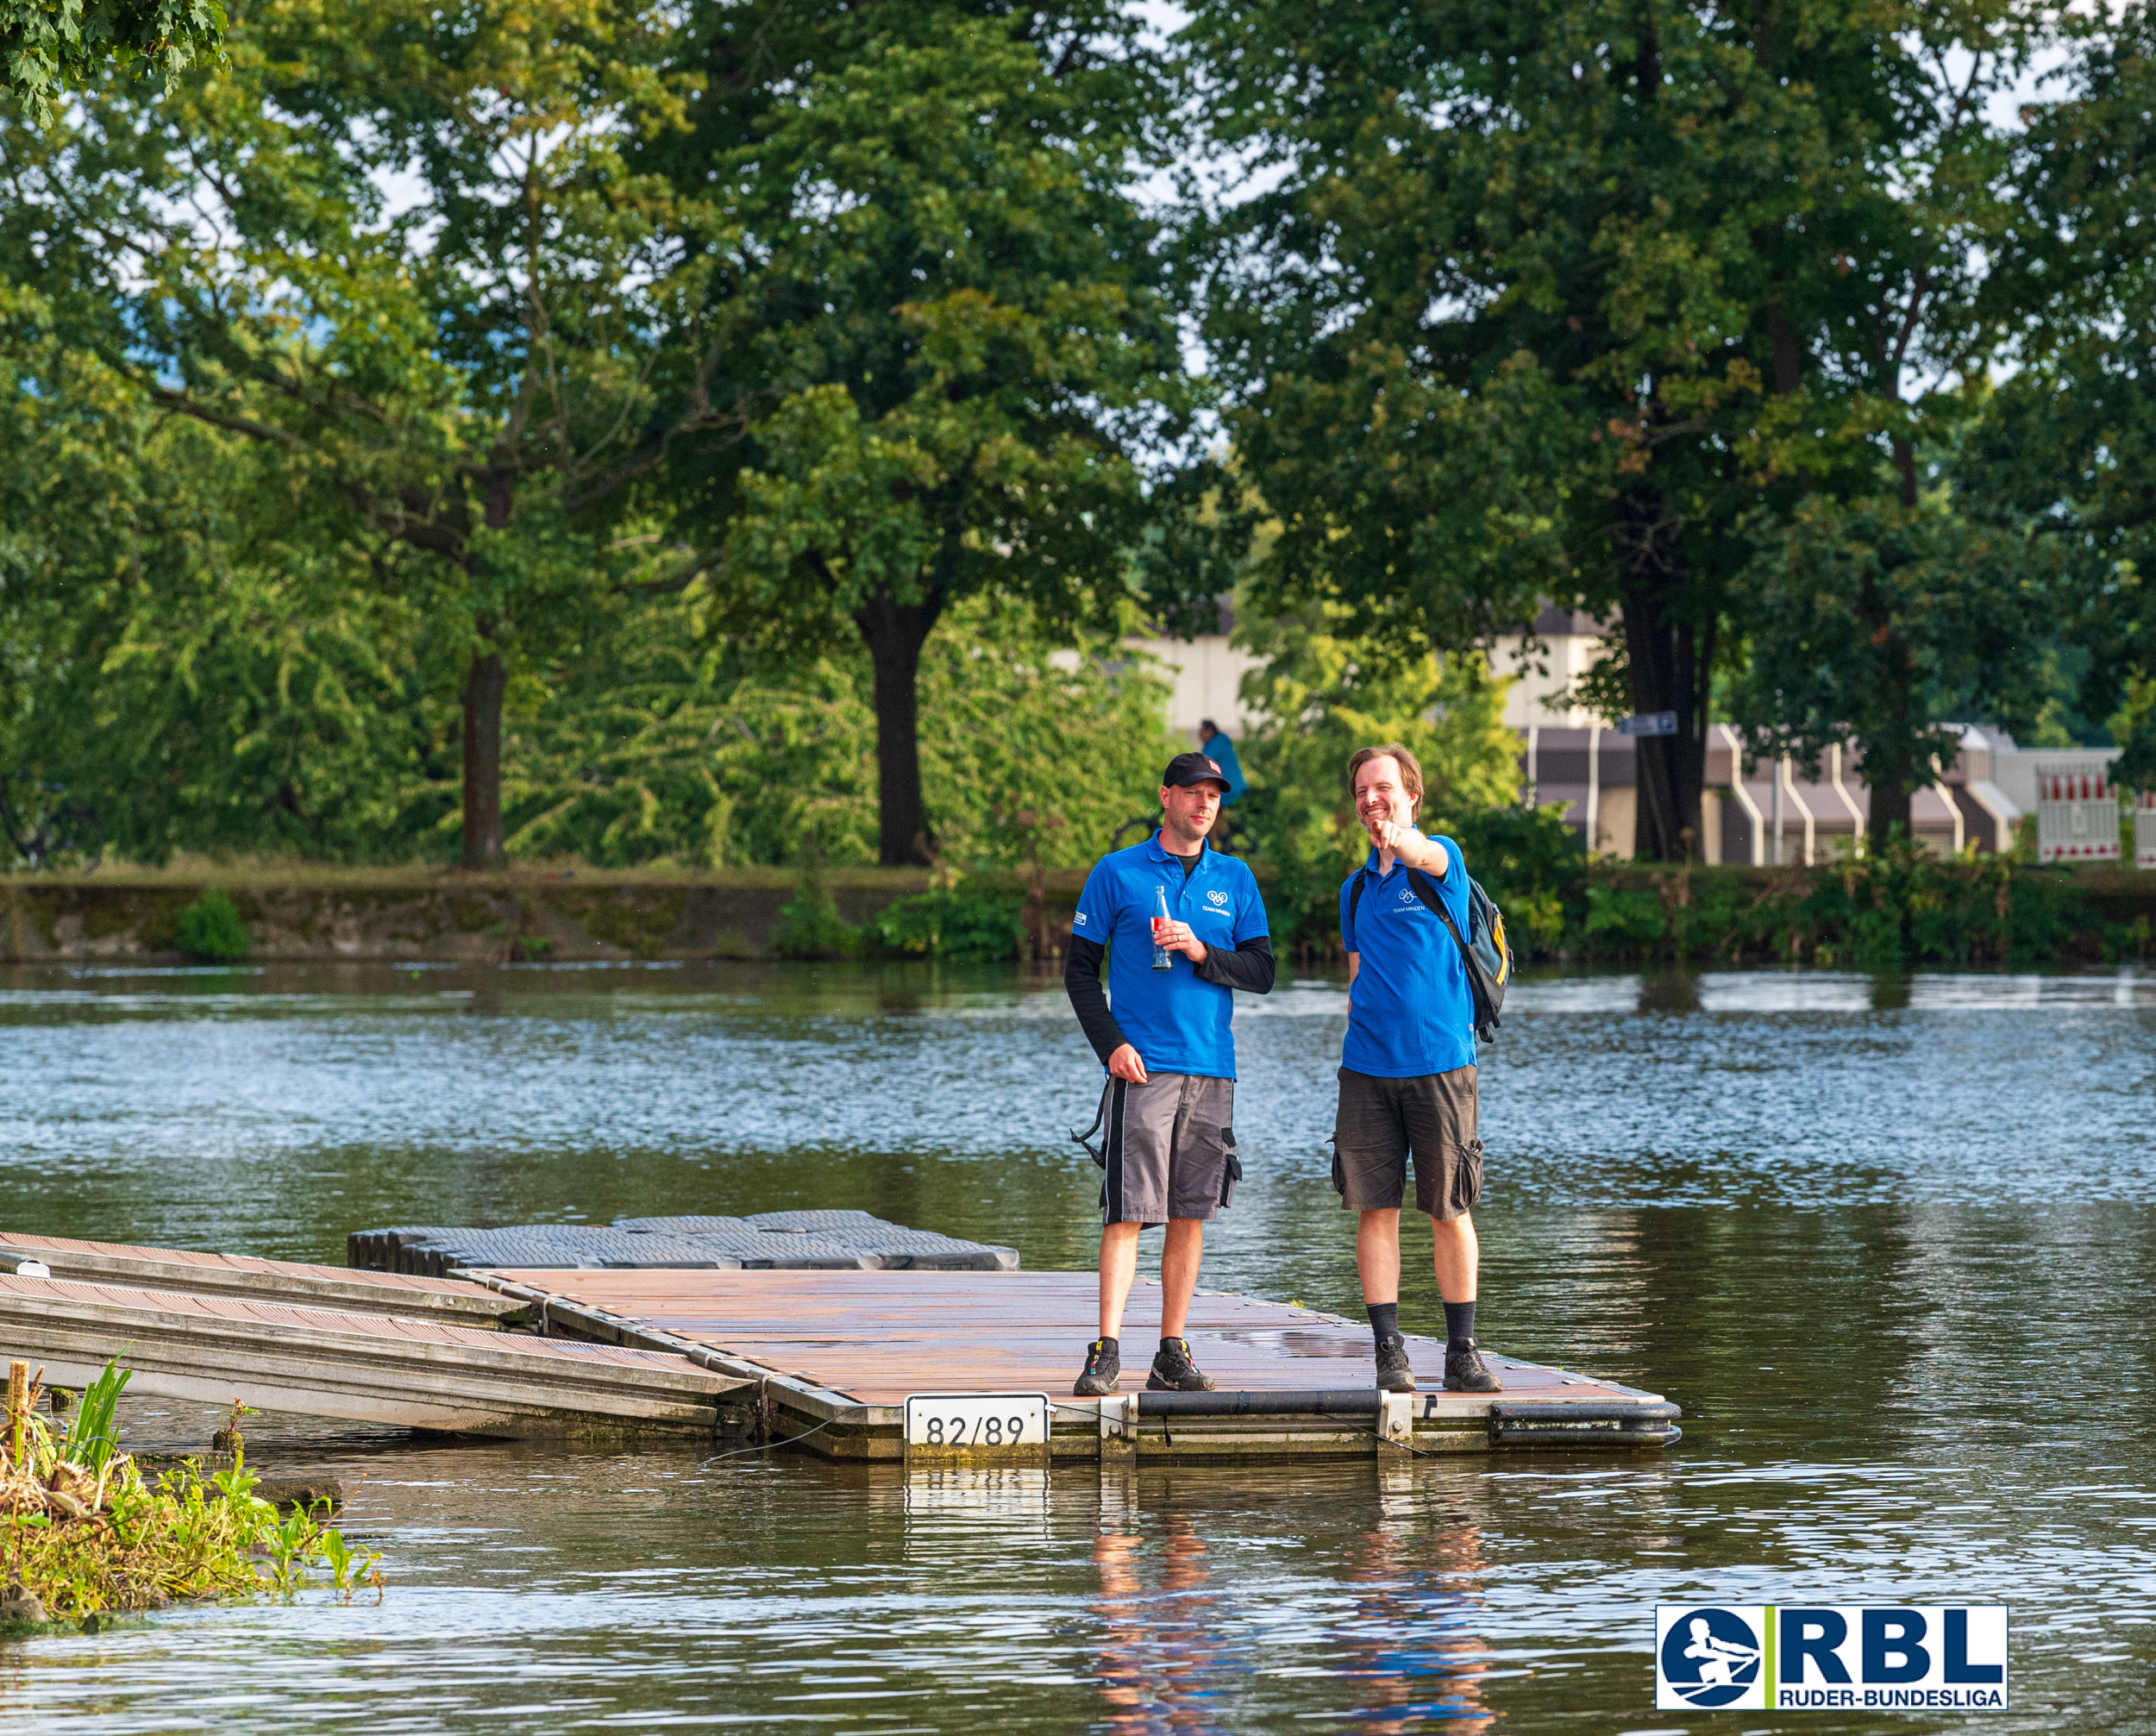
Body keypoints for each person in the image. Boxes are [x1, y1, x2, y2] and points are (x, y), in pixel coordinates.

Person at [1063, 751, 1274, 1395]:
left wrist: (1203, 950)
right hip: (1143, 1067)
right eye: (1192, 792)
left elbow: (1263, 971)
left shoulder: (1233, 877)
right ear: (1166, 796)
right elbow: (1078, 971)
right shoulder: (1117, 871)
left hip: (1212, 1068)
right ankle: (1106, 1348)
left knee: (1191, 1212)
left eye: (1213, 794)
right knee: (1127, 1212)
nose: (1204, 803)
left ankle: (1171, 1350)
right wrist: (1111, 1046)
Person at [1333, 743, 1501, 1394]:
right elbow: (1356, 980)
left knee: (1449, 1208)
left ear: (1411, 795)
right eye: (1362, 793)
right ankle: (1389, 1353)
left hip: (1441, 1066)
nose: (1371, 800)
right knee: (1375, 1209)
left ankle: (1462, 1352)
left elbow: (1423, 852)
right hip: (1367, 1070)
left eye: (1383, 788)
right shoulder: (1354, 889)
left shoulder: (1440, 862)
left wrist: (1402, 837)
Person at [1194, 720, 1248, 810]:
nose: (1199, 736)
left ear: (1210, 731)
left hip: (1230, 793)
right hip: (1236, 790)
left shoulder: (1215, 746)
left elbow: (1200, 765)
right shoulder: (1222, 743)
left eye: (1201, 732)